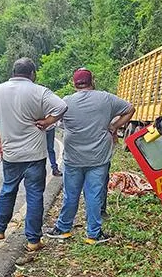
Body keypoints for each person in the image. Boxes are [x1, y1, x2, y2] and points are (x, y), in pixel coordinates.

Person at [0, 57, 67, 252]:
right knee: (34, 194)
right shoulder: (39, 91)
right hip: (35, 153)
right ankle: (33, 240)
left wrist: (0, 141)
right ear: (32, 73)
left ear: (13, 72)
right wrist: (46, 121)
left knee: (8, 189)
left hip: (11, 153)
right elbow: (61, 107)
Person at [45, 68, 135, 245]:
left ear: (74, 83)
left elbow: (56, 122)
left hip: (73, 158)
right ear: (92, 81)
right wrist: (114, 126)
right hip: (98, 158)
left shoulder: (66, 102)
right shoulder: (106, 98)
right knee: (94, 195)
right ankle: (93, 234)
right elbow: (130, 109)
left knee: (70, 194)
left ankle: (63, 229)